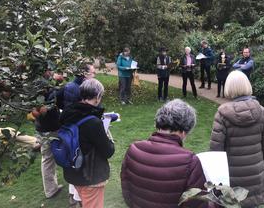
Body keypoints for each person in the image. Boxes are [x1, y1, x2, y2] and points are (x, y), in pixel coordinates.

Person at [121, 99, 207, 207]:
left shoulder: (133, 150)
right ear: (184, 131)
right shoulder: (190, 161)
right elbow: (198, 204)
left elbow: (127, 193)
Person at [210, 70, 264, 208]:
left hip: (231, 174)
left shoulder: (222, 113)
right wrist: (263, 168)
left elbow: (215, 150)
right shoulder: (261, 111)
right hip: (256, 172)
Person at [60, 79, 115, 208]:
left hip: (72, 171)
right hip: (90, 175)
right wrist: (108, 138)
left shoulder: (68, 113)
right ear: (97, 97)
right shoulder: (93, 123)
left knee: (84, 202)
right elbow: (108, 151)